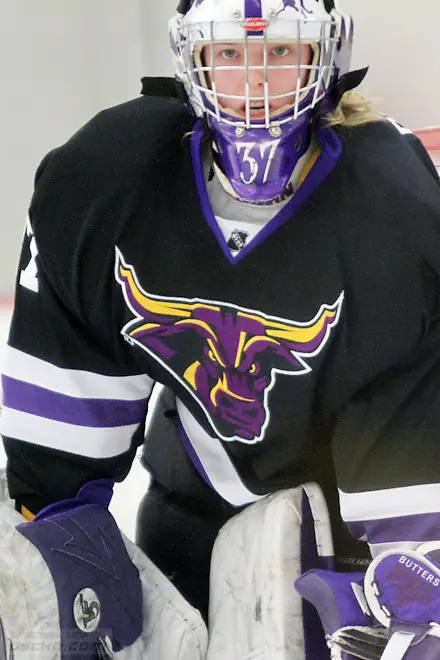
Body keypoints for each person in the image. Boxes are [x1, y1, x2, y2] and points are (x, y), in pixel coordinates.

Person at [1, 0, 440, 657]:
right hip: (190, 500)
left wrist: (410, 585)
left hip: (339, 529)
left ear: (325, 59)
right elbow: (69, 366)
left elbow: (407, 418)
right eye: (231, 54)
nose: (256, 81)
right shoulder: (107, 177)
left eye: (280, 52)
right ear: (192, 58)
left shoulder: (395, 209)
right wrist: (62, 515)